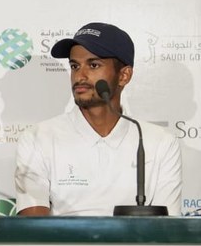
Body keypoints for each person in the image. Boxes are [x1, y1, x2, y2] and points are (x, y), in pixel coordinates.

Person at [15, 22, 181, 216]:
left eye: (93, 65)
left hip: (137, 238)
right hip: (60, 238)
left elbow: (167, 227)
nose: (80, 76)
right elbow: (33, 226)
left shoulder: (160, 142)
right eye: (75, 66)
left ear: (124, 75)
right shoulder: (37, 137)